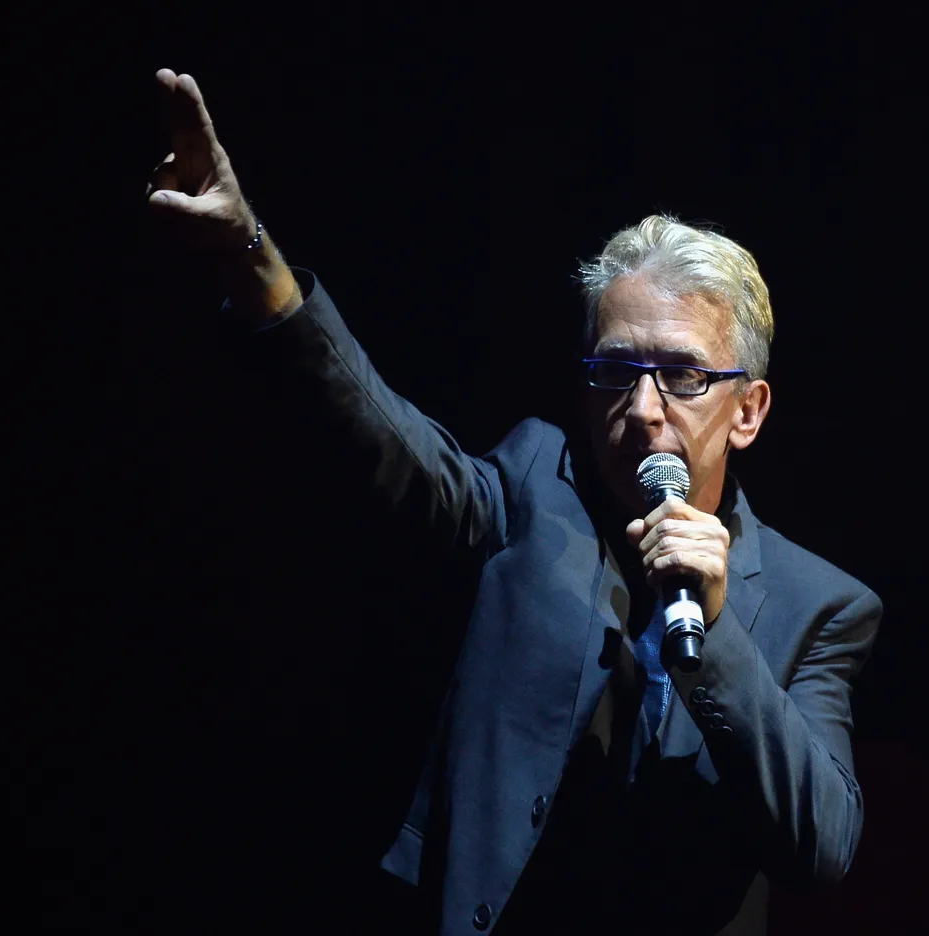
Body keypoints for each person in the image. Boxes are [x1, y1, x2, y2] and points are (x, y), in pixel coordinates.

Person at [145, 69, 882, 936]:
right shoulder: (536, 484)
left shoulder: (819, 605)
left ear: (747, 410)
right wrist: (249, 256)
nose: (642, 410)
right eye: (614, 372)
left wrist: (713, 633)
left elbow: (819, 849)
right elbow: (389, 444)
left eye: (682, 376)